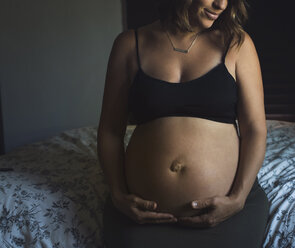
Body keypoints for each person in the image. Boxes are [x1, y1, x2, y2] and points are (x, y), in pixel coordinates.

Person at [97, 0, 270, 247]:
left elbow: (254, 129)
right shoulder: (129, 44)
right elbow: (111, 131)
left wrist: (238, 198)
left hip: (227, 213)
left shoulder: (236, 43)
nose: (221, 4)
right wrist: (117, 194)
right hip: (141, 217)